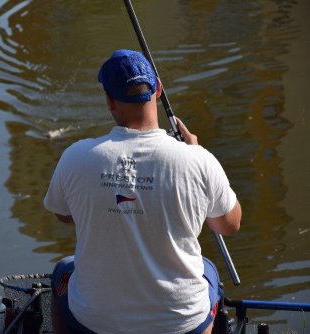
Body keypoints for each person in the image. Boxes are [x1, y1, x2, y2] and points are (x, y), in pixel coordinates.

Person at [43, 49, 242, 334]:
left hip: (95, 323)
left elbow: (63, 215)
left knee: (64, 270)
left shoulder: (76, 156)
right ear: (158, 89)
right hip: (180, 325)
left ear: (109, 101)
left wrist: (102, 205)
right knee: (206, 268)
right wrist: (196, 156)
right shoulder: (199, 159)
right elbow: (230, 224)